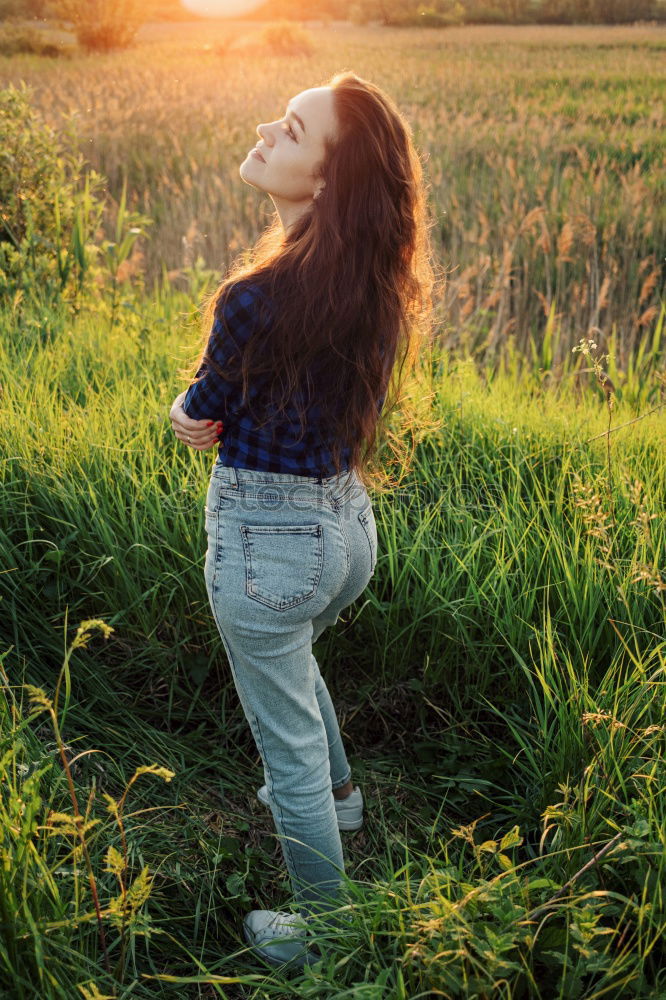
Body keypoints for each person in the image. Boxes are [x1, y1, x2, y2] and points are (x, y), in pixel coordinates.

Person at [169, 71, 436, 971]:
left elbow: (205, 412)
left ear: (326, 184)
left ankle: (326, 934)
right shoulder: (374, 286)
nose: (263, 131)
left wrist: (181, 411)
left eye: (289, 129)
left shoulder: (254, 296)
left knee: (280, 743)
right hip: (345, 531)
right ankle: (345, 795)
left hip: (266, 549)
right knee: (295, 660)